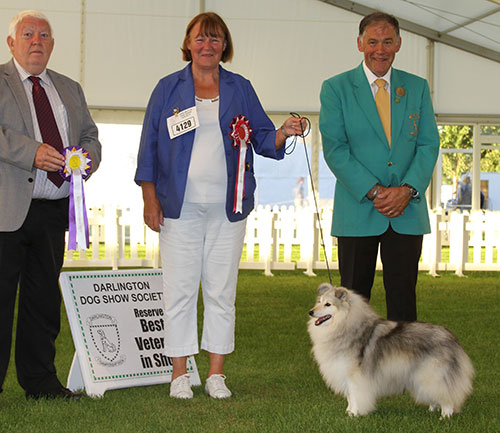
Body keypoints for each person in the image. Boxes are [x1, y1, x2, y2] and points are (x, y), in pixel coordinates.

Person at [135, 12, 304, 399]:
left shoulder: (240, 87)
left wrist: (284, 132)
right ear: (188, 43)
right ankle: (179, 373)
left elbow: (262, 137)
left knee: (221, 290)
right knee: (178, 289)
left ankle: (215, 374)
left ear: (224, 45)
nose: (207, 45)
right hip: (178, 207)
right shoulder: (167, 88)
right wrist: (149, 198)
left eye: (215, 39)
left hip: (229, 208)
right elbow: (150, 148)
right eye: (200, 38)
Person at [0, 10, 101, 400]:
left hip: (53, 210)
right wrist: (32, 153)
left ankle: (40, 382)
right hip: (8, 212)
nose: (36, 41)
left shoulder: (70, 88)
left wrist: (85, 160)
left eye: (44, 35)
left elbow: (90, 135)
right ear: (11, 43)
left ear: (53, 44)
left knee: (43, 303)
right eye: (27, 34)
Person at [319, 12, 440, 322]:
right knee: (352, 306)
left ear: (398, 44)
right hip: (357, 210)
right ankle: (352, 370)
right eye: (373, 42)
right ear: (360, 44)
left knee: (403, 301)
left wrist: (407, 190)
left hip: (406, 211)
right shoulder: (336, 88)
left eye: (388, 42)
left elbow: (428, 144)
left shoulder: (417, 87)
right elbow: (335, 149)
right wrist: (374, 191)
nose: (380, 49)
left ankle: (404, 370)